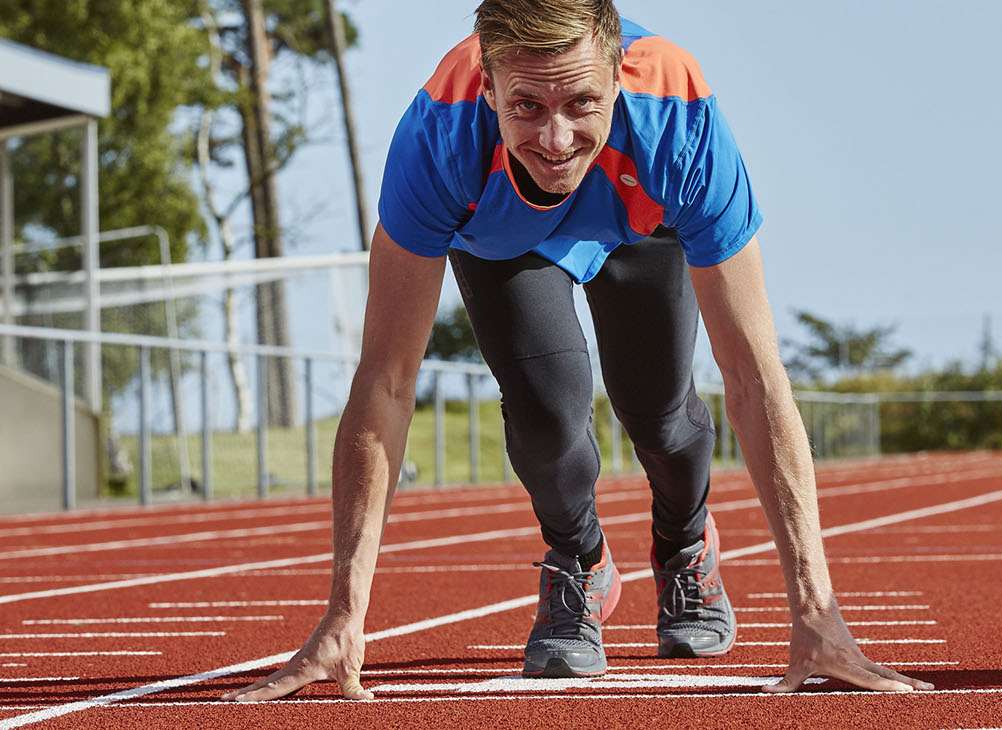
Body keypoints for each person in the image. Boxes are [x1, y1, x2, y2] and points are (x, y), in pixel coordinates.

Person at [224, 0, 930, 700]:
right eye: (526, 105)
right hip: (504, 239)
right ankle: (579, 561)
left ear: (618, 79)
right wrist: (345, 615)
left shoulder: (677, 115)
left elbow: (752, 376)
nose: (556, 139)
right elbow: (385, 382)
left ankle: (685, 545)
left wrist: (816, 611)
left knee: (656, 411)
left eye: (581, 103)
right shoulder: (439, 135)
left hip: (639, 222)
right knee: (546, 415)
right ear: (489, 86)